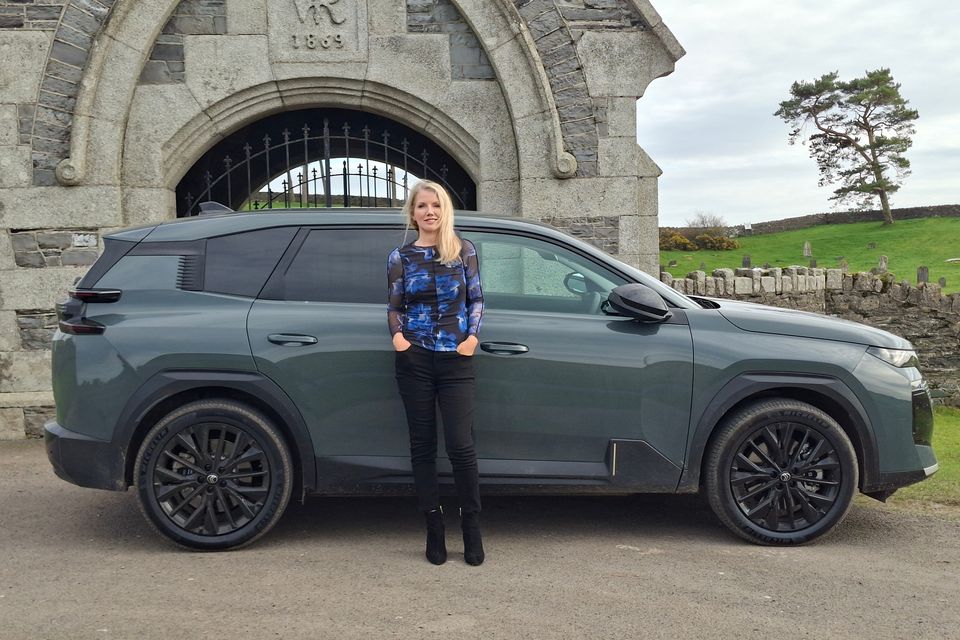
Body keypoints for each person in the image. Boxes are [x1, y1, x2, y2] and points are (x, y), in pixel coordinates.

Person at [386, 180, 485, 566]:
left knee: (461, 446)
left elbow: (476, 298)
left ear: (445, 211)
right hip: (415, 359)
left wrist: (472, 338)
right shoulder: (400, 257)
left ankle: (472, 528)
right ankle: (433, 527)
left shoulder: (463, 252)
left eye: (436, 205)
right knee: (422, 447)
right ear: (413, 214)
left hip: (456, 359)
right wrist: (398, 337)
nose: (429, 211)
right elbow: (394, 305)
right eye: (422, 206)